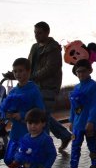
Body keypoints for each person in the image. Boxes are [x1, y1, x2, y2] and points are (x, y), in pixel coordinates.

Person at [0, 58, 45, 168]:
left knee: (26, 162)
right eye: (15, 71)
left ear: (28, 71)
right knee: (8, 159)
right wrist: (5, 115)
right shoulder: (13, 91)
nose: (18, 74)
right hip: (15, 133)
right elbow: (5, 108)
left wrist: (24, 115)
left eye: (21, 71)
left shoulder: (33, 90)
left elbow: (41, 111)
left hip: (28, 135)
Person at [28, 22, 71, 150]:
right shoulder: (35, 47)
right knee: (43, 116)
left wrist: (31, 76)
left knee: (42, 119)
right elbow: (28, 64)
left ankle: (43, 149)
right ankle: (64, 135)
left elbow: (49, 69)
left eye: (39, 33)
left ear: (47, 32)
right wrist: (19, 73)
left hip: (48, 87)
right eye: (35, 32)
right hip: (35, 86)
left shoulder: (53, 48)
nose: (36, 35)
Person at [59, 59, 96, 168]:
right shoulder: (77, 87)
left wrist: (91, 121)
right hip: (77, 124)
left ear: (90, 71)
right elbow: (73, 107)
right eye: (78, 72)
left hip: (89, 124)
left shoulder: (94, 86)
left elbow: (95, 105)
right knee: (75, 146)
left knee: (91, 145)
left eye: (83, 71)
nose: (81, 74)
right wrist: (71, 120)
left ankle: (95, 167)